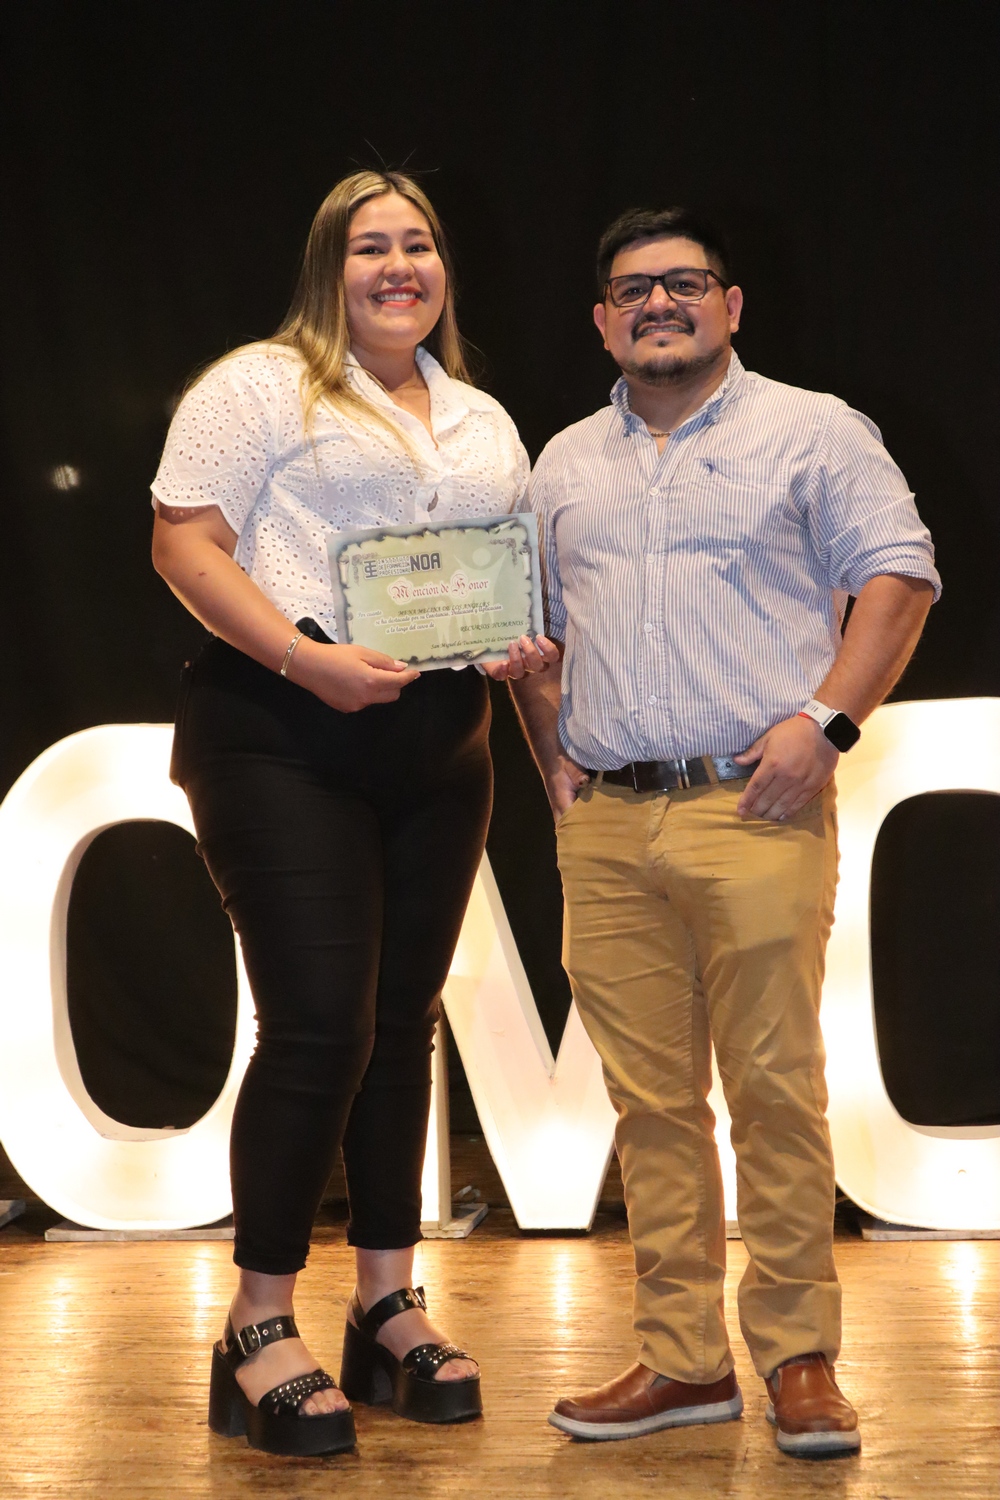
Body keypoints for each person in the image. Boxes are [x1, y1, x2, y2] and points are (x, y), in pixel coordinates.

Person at [511, 207, 938, 1459]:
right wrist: (550, 756)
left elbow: (900, 574)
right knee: (648, 1106)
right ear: (602, 320)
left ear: (730, 305)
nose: (659, 303)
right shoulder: (560, 463)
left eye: (684, 283)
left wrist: (826, 723)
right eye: (632, 289)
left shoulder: (815, 429)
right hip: (606, 823)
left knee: (772, 1091)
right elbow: (536, 637)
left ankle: (800, 1358)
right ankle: (683, 1360)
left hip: (755, 806)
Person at [151, 170, 557, 1457]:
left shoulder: (484, 418)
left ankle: (387, 1305)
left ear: (443, 269)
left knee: (399, 1024)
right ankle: (257, 1326)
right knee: (318, 1024)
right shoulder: (258, 385)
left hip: (441, 742)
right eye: (370, 246)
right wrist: (304, 659)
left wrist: (518, 654)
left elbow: (505, 580)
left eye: (418, 244)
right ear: (328, 268)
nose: (398, 266)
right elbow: (183, 543)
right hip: (281, 731)